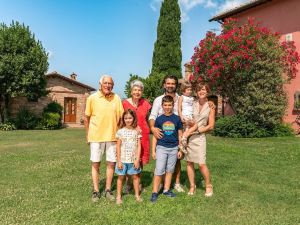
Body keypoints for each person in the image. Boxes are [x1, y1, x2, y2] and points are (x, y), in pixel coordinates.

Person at [84, 75, 124, 202]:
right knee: (96, 163)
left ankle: (107, 189)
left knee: (111, 164)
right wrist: (88, 135)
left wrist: (119, 133)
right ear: (100, 84)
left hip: (112, 137)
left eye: (110, 84)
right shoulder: (92, 98)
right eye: (105, 83)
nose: (108, 85)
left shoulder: (117, 98)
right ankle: (96, 191)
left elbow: (121, 117)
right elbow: (87, 118)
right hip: (96, 137)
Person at [149, 75, 185, 192]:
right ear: (164, 85)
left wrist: (210, 104)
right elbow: (153, 116)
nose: (170, 86)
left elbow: (189, 110)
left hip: (178, 133)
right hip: (163, 135)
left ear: (176, 85)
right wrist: (153, 128)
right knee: (161, 161)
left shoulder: (181, 99)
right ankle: (161, 184)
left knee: (177, 160)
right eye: (168, 83)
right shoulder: (158, 100)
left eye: (173, 83)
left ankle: (177, 183)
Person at [183, 82, 215, 197]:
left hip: (200, 137)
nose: (201, 92)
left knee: (201, 164)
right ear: (196, 92)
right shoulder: (192, 104)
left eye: (204, 90)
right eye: (199, 90)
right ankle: (192, 186)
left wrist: (200, 130)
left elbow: (211, 126)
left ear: (207, 92)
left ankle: (208, 185)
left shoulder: (211, 106)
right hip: (190, 137)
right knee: (189, 162)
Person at [150, 95, 183, 202]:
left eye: (170, 105)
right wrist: (153, 150)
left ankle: (166, 190)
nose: (167, 107)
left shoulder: (177, 119)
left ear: (173, 105)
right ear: (162, 106)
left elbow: (180, 136)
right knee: (159, 170)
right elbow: (155, 136)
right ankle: (155, 192)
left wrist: (180, 149)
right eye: (165, 105)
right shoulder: (159, 119)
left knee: (170, 170)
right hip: (161, 148)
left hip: (174, 148)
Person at [122, 80, 151, 191]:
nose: (137, 92)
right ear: (131, 91)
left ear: (142, 91)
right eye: (135, 90)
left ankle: (138, 183)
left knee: (140, 159)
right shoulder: (124, 103)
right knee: (129, 158)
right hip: (129, 135)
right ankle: (128, 183)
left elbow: (148, 119)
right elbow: (123, 119)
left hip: (143, 135)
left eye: (139, 90)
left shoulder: (146, 104)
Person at [115, 109, 143, 205]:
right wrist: (118, 161)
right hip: (122, 160)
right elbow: (118, 146)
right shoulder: (120, 132)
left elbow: (139, 146)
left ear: (134, 118)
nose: (128, 120)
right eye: (126, 118)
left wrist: (137, 159)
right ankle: (118, 196)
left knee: (135, 177)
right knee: (120, 178)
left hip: (133, 160)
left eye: (130, 118)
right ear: (123, 119)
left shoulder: (137, 132)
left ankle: (137, 195)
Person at [178, 81, 194, 154]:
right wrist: (181, 117)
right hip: (185, 115)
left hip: (191, 116)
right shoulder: (182, 97)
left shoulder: (192, 98)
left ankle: (182, 145)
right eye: (188, 90)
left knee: (189, 131)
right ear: (183, 90)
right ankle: (182, 146)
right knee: (186, 131)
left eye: (190, 90)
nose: (189, 91)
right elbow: (179, 108)